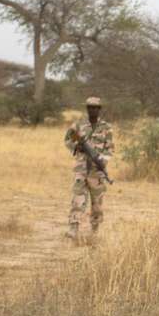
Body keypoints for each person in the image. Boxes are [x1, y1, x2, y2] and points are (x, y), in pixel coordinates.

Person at [64, 96, 114, 240]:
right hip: (81, 168)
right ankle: (73, 228)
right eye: (89, 107)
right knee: (77, 198)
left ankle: (95, 230)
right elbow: (67, 140)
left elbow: (110, 148)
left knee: (97, 202)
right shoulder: (78, 125)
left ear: (99, 109)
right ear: (87, 108)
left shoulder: (106, 128)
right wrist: (77, 146)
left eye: (95, 107)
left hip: (96, 171)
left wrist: (102, 161)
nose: (92, 110)